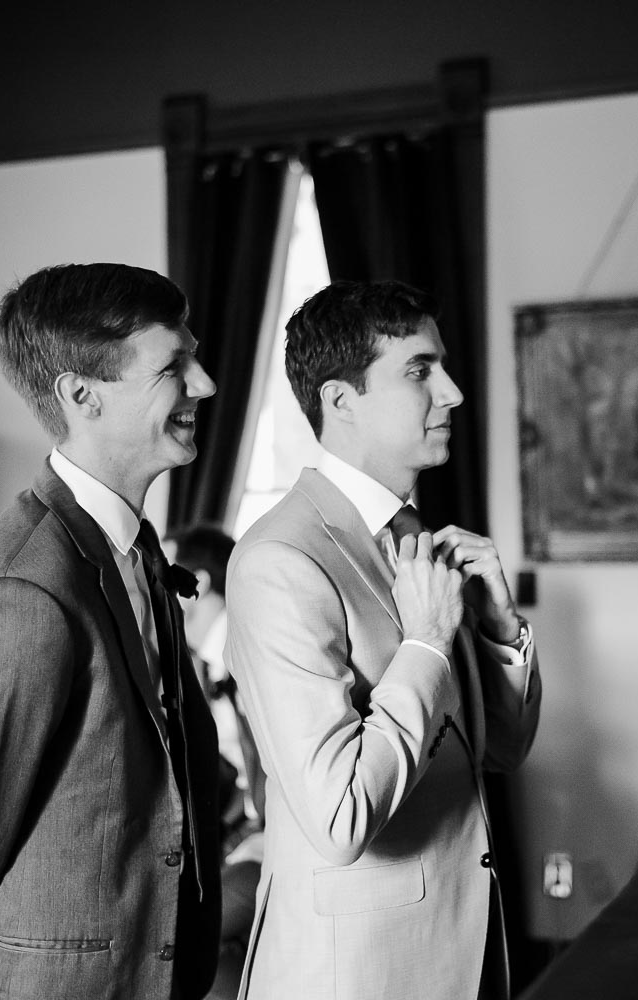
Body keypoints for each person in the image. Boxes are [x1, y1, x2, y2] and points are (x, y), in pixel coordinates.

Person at [0, 263, 222, 1000]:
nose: (204, 384)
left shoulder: (136, 550)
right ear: (81, 395)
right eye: (174, 365)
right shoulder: (18, 591)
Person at [224, 279, 542, 1000]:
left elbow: (500, 751)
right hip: (356, 975)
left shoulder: (418, 540)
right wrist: (427, 642)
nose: (454, 393)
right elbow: (340, 817)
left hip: (465, 954)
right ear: (341, 402)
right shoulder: (280, 561)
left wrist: (497, 628)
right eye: (420, 371)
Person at [171, 523, 266, 1000]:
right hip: (231, 832)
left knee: (182, 944)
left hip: (277, 839)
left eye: (162, 572)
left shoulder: (248, 647)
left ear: (197, 584)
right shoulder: (195, 662)